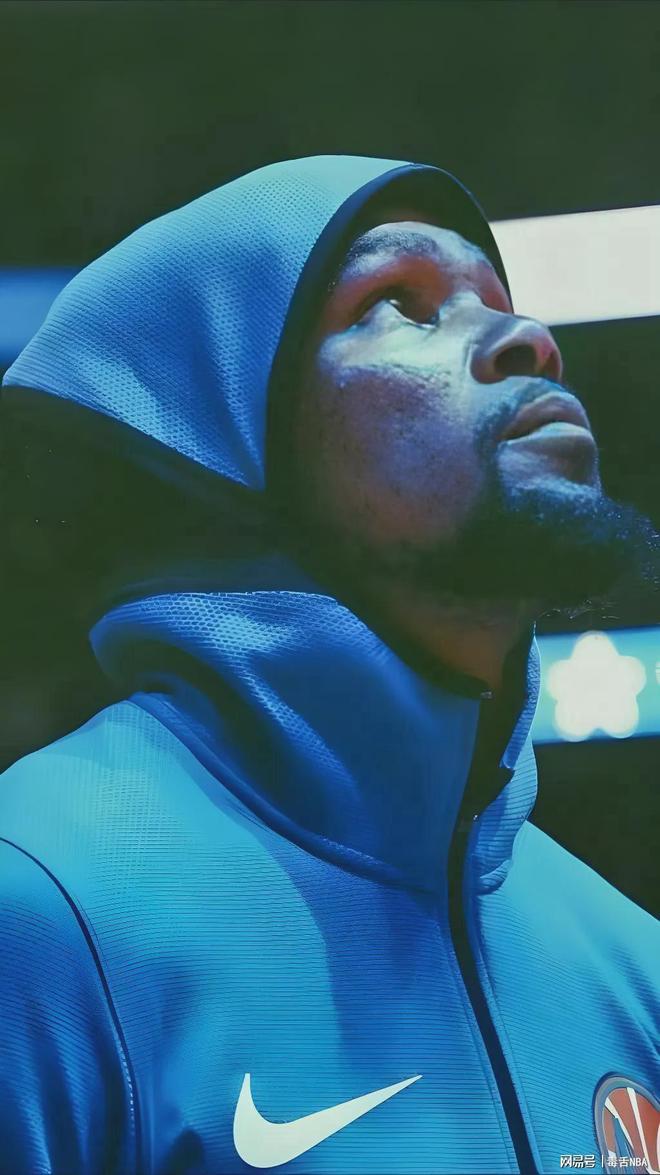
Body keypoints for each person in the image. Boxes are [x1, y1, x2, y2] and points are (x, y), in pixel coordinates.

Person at [0, 155, 657, 1175]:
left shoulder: (634, 961)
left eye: (499, 302)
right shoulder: (37, 903)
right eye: (399, 304)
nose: (528, 338)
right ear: (218, 430)